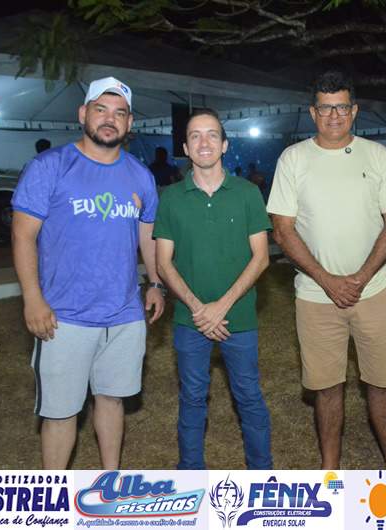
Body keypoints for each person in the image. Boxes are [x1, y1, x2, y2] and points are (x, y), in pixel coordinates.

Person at [11, 76, 165, 469]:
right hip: (64, 317)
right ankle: (53, 494)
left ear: (130, 123)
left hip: (124, 315)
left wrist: (155, 283)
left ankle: (109, 481)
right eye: (101, 110)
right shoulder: (50, 167)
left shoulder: (140, 175)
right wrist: (33, 298)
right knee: (61, 413)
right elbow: (23, 235)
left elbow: (147, 236)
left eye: (120, 113)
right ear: (83, 114)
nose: (110, 119)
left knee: (112, 400)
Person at [267, 70, 386, 469]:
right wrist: (327, 281)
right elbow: (283, 229)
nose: (334, 116)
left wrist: (361, 278)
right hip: (316, 296)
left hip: (374, 291)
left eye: (341, 108)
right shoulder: (293, 159)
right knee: (327, 387)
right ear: (313, 113)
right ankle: (330, 468)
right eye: (325, 108)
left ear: (354, 111)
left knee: (381, 382)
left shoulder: (376, 155)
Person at [154, 108, 273, 470]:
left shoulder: (248, 193)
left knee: (249, 397)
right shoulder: (172, 197)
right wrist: (198, 308)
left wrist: (221, 306)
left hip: (239, 317)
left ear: (224, 145)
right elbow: (163, 263)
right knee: (192, 398)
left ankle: (261, 477)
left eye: (211, 135)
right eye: (195, 136)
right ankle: (191, 478)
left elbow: (261, 258)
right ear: (185, 148)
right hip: (190, 320)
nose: (203, 142)